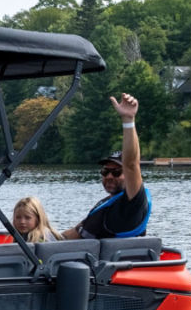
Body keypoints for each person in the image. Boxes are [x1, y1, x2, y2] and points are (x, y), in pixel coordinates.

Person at [64, 93, 151, 239]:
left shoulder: (133, 204)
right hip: (83, 256)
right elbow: (76, 233)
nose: (109, 176)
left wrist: (128, 120)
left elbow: (131, 164)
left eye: (116, 172)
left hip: (113, 260)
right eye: (105, 171)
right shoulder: (106, 204)